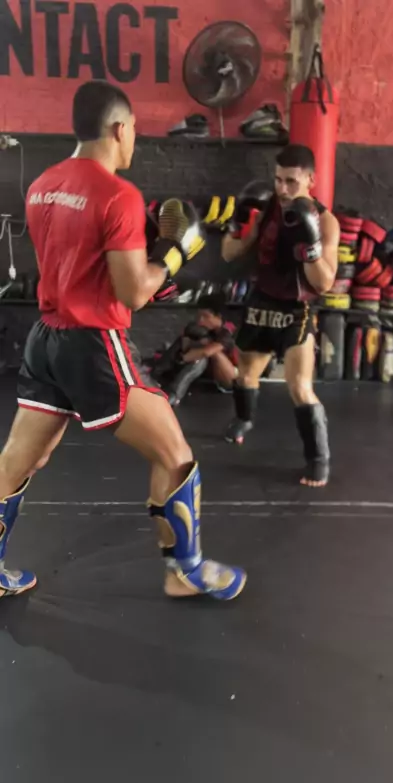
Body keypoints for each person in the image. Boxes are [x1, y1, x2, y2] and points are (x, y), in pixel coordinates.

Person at [0, 80, 246, 600]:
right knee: (175, 454)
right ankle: (185, 572)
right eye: (134, 128)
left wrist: (148, 260)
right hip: (94, 346)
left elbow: (81, 268)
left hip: (46, 340)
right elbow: (133, 292)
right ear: (118, 128)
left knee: (17, 461)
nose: (134, 138)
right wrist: (173, 254)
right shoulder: (118, 196)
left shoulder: (42, 185)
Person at [221, 144, 339, 487]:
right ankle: (244, 419)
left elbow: (324, 283)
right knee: (245, 375)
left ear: (310, 180)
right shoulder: (266, 207)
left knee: (300, 387)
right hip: (261, 302)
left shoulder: (325, 221)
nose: (282, 189)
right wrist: (238, 225)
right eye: (278, 180)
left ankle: (318, 460)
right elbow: (230, 253)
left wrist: (310, 245)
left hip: (296, 309)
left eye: (291, 181)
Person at [149, 295, 238, 406]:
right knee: (189, 343)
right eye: (200, 316)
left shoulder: (227, 331)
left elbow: (206, 352)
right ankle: (155, 374)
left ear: (218, 317)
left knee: (203, 355)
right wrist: (188, 338)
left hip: (228, 378)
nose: (201, 320)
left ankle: (174, 395)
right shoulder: (202, 328)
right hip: (206, 372)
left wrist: (183, 357)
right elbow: (185, 346)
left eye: (206, 316)